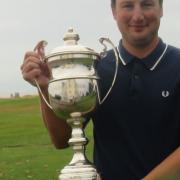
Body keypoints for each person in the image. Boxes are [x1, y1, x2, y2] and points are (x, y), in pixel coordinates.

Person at [21, 0, 180, 179]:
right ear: (114, 12)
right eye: (128, 5)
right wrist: (45, 86)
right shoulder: (96, 69)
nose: (137, 16)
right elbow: (62, 140)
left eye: (147, 4)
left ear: (161, 9)